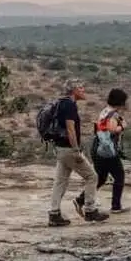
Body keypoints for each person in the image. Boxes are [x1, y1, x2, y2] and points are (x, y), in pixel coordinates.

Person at [46, 80, 109, 226]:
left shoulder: (62, 103)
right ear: (74, 91)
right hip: (69, 149)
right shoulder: (69, 105)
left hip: (60, 148)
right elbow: (70, 129)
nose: (83, 90)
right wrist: (76, 150)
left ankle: (54, 214)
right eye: (80, 88)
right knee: (92, 177)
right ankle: (90, 210)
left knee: (60, 181)